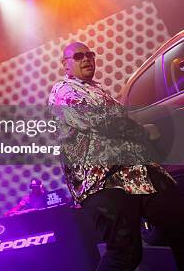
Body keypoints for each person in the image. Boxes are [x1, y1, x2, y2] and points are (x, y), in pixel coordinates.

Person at [48, 41, 184, 270]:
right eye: (79, 56)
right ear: (66, 65)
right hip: (103, 180)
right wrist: (143, 130)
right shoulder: (64, 90)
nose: (86, 59)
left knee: (179, 225)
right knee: (125, 252)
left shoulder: (99, 90)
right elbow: (100, 122)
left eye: (90, 55)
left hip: (137, 172)